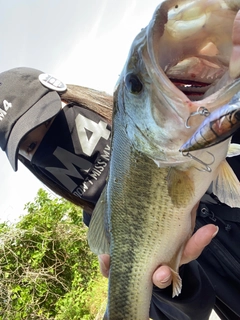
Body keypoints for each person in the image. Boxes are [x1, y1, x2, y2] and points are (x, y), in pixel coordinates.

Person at [0, 67, 239, 320]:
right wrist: (174, 278)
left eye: (48, 119)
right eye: (32, 146)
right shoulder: (100, 224)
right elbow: (187, 313)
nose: (54, 142)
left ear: (68, 97)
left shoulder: (186, 116)